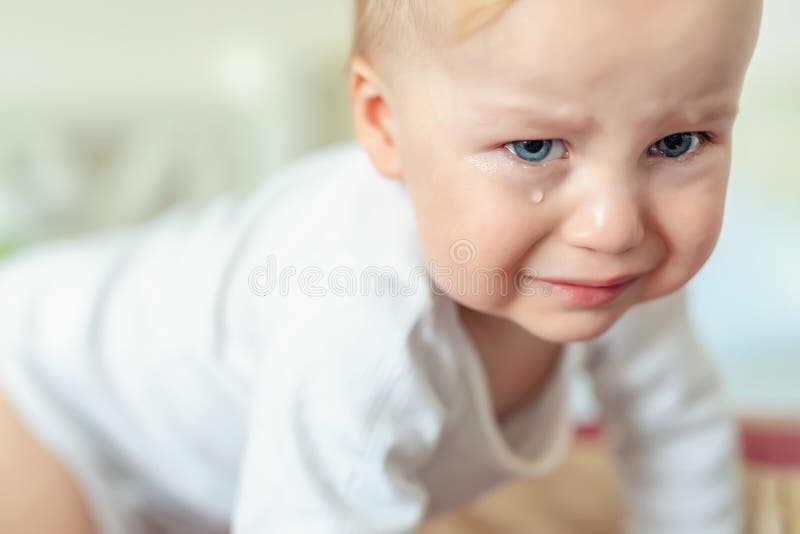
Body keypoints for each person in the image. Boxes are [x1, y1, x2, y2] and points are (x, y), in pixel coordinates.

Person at [0, 0, 763, 532]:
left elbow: (679, 434)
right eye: (534, 148)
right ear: (383, 125)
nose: (613, 224)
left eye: (678, 144)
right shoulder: (359, 317)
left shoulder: (615, 262)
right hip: (44, 402)